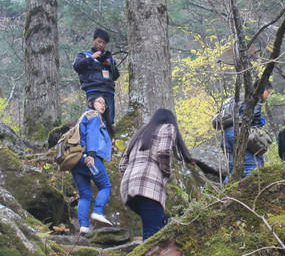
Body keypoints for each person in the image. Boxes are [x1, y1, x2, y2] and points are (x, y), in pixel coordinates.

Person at [118, 109, 194, 243]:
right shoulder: (168, 128)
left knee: (160, 224)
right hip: (148, 186)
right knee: (151, 234)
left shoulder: (139, 133)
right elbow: (163, 151)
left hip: (128, 188)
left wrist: (133, 177)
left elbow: (122, 165)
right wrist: (166, 171)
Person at [71, 95, 113, 234]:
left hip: (75, 159)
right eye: (99, 102)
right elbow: (92, 134)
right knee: (105, 186)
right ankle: (98, 211)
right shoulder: (94, 116)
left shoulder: (83, 117)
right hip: (88, 158)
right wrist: (92, 155)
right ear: (90, 103)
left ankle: (83, 226)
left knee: (84, 195)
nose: (103, 105)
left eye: (105, 104)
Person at [220, 84, 273, 178]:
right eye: (268, 92)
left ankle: (226, 191)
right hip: (240, 133)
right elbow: (255, 115)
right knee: (252, 166)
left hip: (225, 134)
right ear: (263, 89)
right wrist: (257, 130)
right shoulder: (254, 97)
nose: (268, 95)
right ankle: (254, 191)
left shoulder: (236, 98)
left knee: (233, 170)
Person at [72, 28, 121, 126]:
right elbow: (77, 66)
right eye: (99, 42)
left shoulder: (108, 58)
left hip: (108, 91)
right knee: (92, 118)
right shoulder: (84, 54)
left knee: (109, 119)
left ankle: (109, 139)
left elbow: (116, 75)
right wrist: (92, 58)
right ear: (93, 40)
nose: (101, 45)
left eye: (104, 43)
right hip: (93, 90)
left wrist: (109, 65)